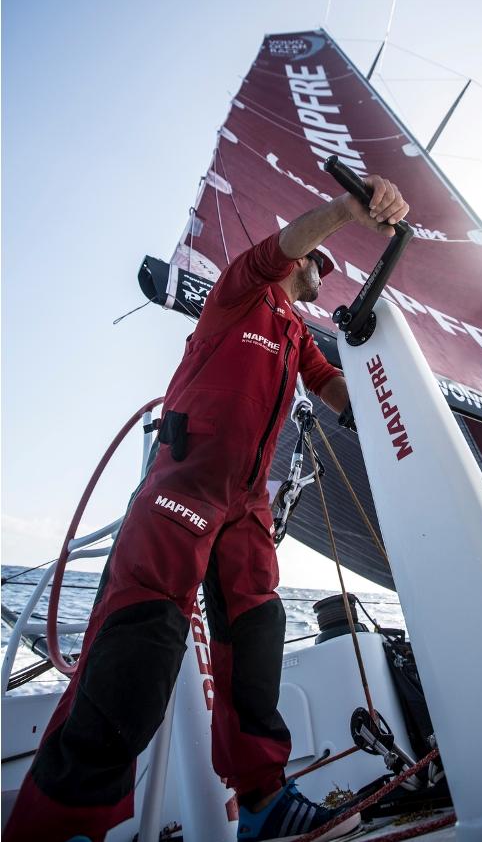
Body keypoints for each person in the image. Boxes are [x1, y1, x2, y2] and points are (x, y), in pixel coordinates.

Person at [4, 175, 409, 842]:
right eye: (317, 264)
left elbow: (341, 397)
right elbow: (277, 252)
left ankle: (264, 803)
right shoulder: (240, 293)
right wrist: (349, 210)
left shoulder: (296, 336)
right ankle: (61, 826)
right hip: (182, 490)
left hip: (244, 508)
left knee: (257, 641)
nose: (320, 275)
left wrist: (381, 367)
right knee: (141, 647)